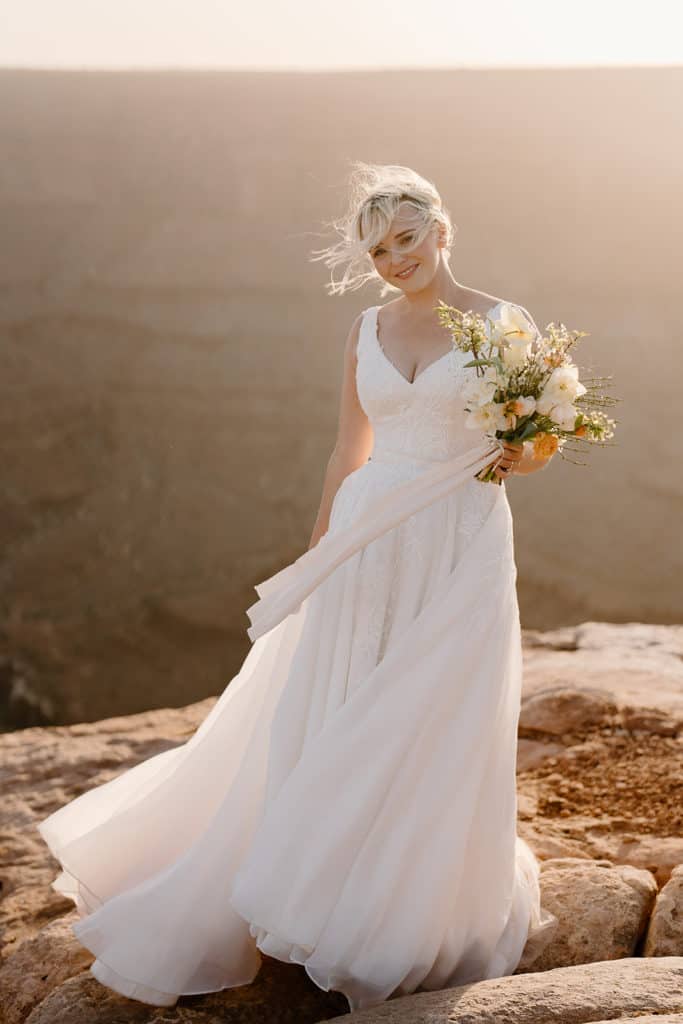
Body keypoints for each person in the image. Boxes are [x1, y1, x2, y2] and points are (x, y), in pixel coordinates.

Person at [37, 161, 559, 1013]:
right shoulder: (364, 327)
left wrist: (524, 450)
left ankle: (397, 908)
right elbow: (346, 447)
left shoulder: (504, 322)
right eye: (377, 250)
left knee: (431, 704)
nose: (394, 260)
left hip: (457, 531)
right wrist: (322, 548)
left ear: (439, 230)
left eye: (404, 239)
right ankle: (310, 888)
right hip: (367, 532)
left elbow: (539, 446)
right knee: (344, 697)